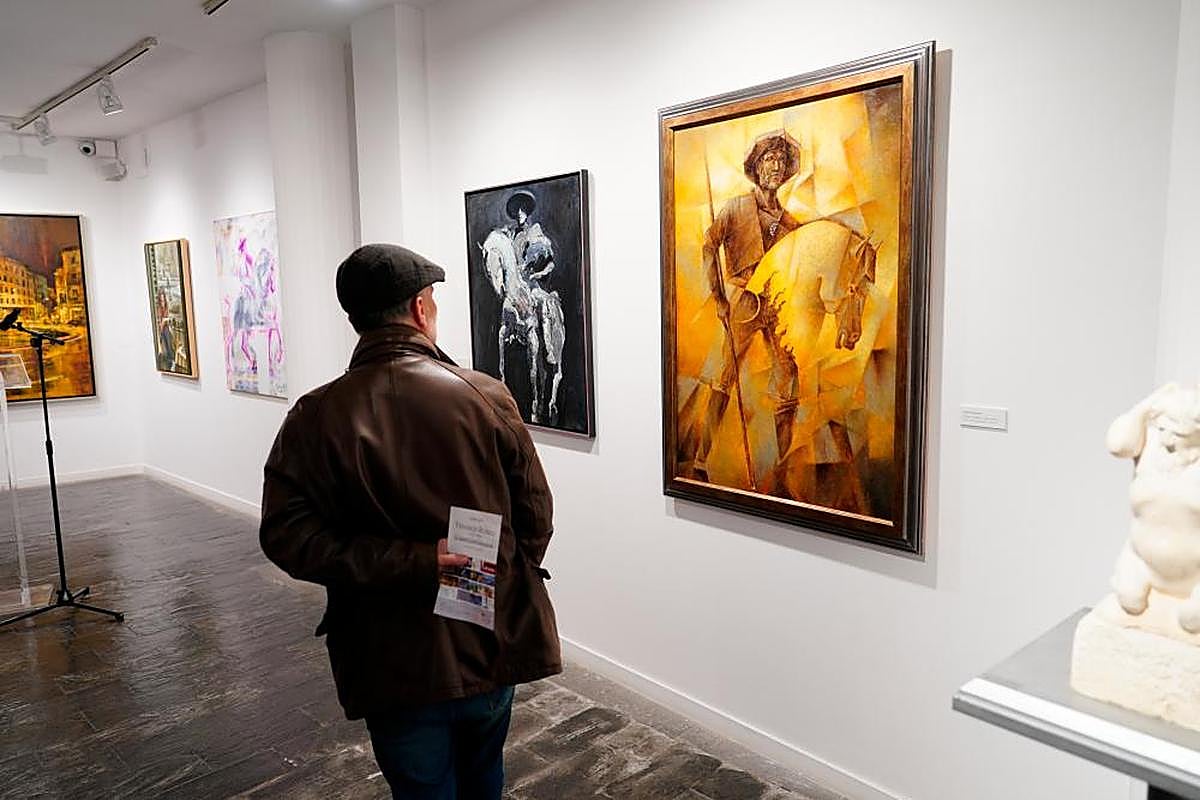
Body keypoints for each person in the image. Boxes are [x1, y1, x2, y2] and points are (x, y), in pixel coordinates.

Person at [259, 243, 561, 799]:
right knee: (484, 780)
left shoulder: (315, 415)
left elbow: (287, 535)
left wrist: (410, 563)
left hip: (388, 657)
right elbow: (535, 515)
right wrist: (487, 573)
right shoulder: (483, 396)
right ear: (421, 309)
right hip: (485, 641)